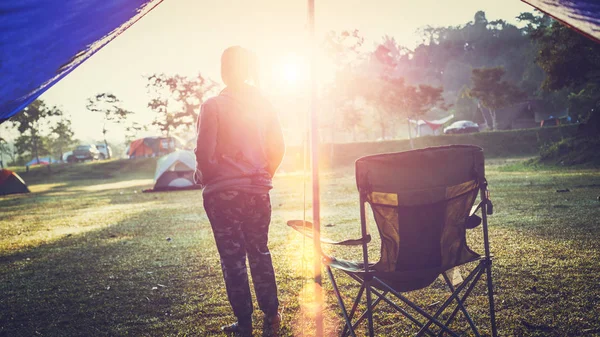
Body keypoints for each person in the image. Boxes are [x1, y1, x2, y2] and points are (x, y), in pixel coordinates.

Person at [195, 46, 285, 337]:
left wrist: (204, 175)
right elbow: (278, 148)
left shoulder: (213, 105)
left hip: (223, 195)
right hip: (258, 192)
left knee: (232, 258)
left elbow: (204, 153)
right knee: (260, 251)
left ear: (224, 70)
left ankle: (243, 324)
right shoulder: (264, 104)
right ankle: (272, 316)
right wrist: (262, 176)